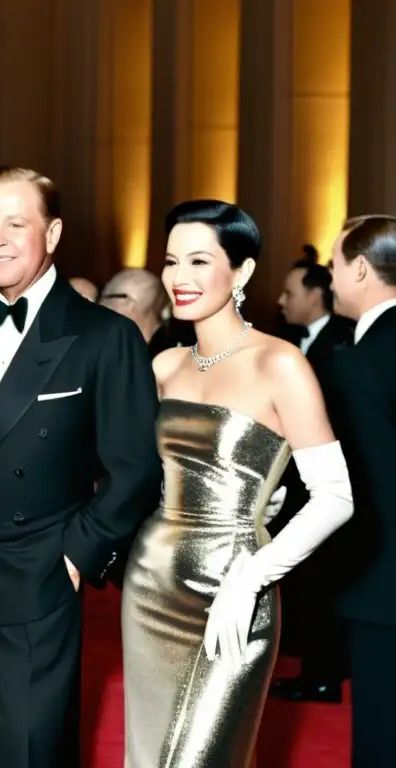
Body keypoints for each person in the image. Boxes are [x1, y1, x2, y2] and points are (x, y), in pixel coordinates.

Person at [0, 166, 163, 767]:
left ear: (53, 233)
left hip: (39, 570)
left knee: (34, 750)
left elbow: (135, 467)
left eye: (16, 223)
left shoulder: (104, 335)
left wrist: (78, 553)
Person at [121, 200, 354, 767]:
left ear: (242, 271)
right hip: (150, 584)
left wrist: (251, 576)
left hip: (235, 590)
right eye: (172, 261)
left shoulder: (280, 364)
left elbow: (336, 496)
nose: (180, 277)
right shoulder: (163, 367)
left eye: (199, 261)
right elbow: (135, 476)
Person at [322, 214, 396, 767]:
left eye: (334, 265)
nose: (329, 278)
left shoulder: (359, 363)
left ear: (362, 270)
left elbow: (364, 486)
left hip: (383, 582)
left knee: (381, 733)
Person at [270, 253, 353, 704]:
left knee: (324, 582)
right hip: (295, 486)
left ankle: (324, 673)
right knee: (307, 582)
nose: (282, 301)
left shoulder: (345, 341)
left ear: (315, 295)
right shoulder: (288, 342)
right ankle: (312, 662)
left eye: (290, 292)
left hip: (329, 485)